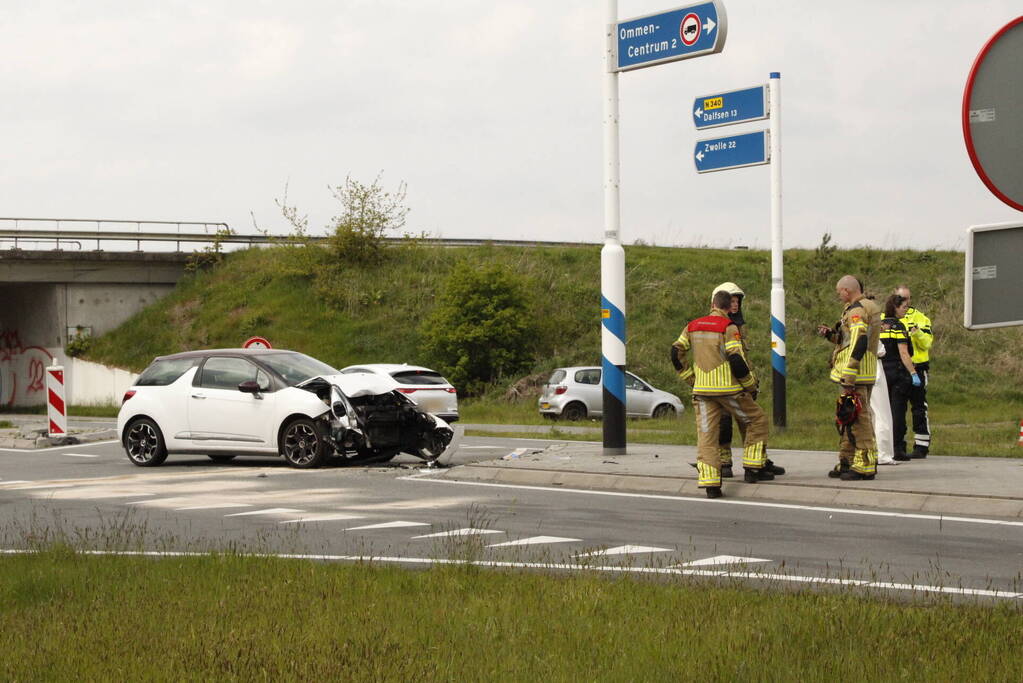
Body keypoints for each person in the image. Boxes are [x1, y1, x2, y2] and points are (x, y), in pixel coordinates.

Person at [672, 289, 773, 499]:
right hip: (729, 391)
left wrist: (690, 378)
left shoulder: (692, 326)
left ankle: (711, 485)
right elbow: (736, 359)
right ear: (728, 308)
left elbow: (675, 352)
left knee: (707, 436)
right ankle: (753, 468)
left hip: (702, 392)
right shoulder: (728, 327)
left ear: (712, 304)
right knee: (756, 421)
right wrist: (751, 386)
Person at [709, 282, 785, 478]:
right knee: (725, 424)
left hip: (739, 383)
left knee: (751, 424)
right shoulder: (718, 326)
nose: (735, 305)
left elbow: (743, 355)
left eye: (737, 301)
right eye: (732, 301)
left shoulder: (738, 327)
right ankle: (725, 462)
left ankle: (758, 460)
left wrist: (751, 378)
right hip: (726, 383)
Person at [816, 275, 882, 480]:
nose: (838, 295)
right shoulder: (866, 307)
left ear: (847, 290)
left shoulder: (856, 311)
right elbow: (848, 340)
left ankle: (864, 465)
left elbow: (860, 340)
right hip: (862, 371)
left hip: (855, 374)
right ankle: (847, 461)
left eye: (839, 292)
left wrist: (850, 371)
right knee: (848, 417)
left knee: (859, 419)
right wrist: (830, 335)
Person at [894, 285, 933, 458]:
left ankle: (922, 445)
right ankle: (898, 445)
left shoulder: (921, 318)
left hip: (918, 367)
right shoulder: (886, 318)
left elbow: (927, 344)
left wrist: (916, 334)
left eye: (907, 298)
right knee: (897, 408)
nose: (905, 302)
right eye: (901, 299)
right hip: (897, 369)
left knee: (919, 408)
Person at [880, 293, 920, 462]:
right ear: (895, 308)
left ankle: (884, 447)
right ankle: (897, 448)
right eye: (904, 307)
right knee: (897, 412)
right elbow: (904, 353)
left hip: (882, 372)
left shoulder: (880, 325)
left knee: (883, 412)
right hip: (897, 373)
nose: (906, 310)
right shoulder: (898, 327)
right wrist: (913, 373)